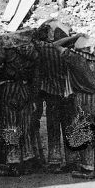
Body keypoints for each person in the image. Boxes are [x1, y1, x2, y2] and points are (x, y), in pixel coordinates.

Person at [59, 35, 95, 179]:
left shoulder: (74, 57)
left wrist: (73, 37)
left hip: (83, 98)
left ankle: (87, 168)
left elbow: (56, 45)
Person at [0, 31, 39, 175]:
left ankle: (13, 162)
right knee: (25, 126)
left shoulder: (7, 53)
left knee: (10, 126)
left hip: (9, 90)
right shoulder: (31, 54)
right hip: (25, 90)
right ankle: (28, 160)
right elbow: (35, 78)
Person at [32, 22, 75, 173]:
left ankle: (55, 161)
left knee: (53, 128)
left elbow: (34, 40)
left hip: (52, 94)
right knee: (70, 127)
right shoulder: (71, 52)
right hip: (69, 94)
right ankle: (72, 160)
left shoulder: (46, 49)